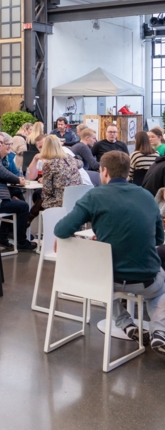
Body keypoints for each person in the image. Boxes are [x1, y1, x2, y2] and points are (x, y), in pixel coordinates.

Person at [54, 151, 165, 356]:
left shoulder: (94, 195)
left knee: (101, 273)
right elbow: (158, 239)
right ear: (127, 172)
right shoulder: (147, 196)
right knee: (160, 288)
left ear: (104, 171)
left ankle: (125, 323)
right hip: (145, 281)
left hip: (107, 280)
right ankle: (159, 331)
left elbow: (61, 230)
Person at [38, 135, 82, 209]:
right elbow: (81, 164)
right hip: (77, 198)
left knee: (40, 198)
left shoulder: (48, 164)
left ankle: (30, 217)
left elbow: (47, 191)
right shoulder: (69, 157)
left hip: (62, 202)